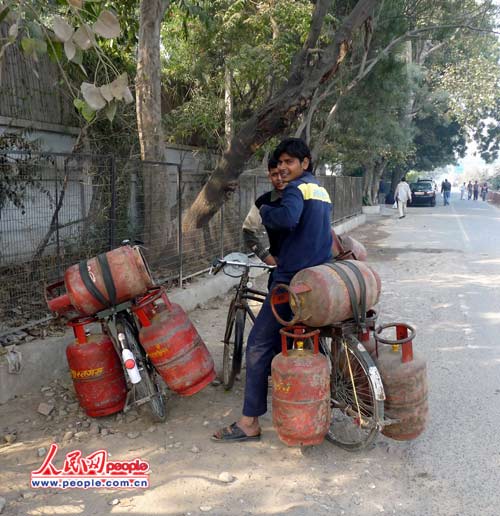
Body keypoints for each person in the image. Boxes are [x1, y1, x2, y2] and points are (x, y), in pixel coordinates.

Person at [212, 137, 333, 442]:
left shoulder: (291, 191)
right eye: (278, 165)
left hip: (291, 281)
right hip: (319, 277)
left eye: (289, 163)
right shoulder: (321, 191)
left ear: (304, 163)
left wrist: (268, 212)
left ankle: (249, 423)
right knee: (287, 339)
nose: (282, 170)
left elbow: (288, 219)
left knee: (257, 346)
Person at [242, 157, 286, 288]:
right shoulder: (263, 202)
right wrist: (267, 258)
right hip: (278, 268)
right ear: (269, 176)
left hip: (303, 267)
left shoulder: (303, 198)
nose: (279, 179)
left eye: (282, 174)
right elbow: (247, 231)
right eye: (274, 175)